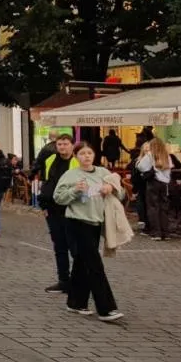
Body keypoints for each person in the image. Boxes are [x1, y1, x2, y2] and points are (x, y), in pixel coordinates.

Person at [53, 142, 126, 322]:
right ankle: (106, 308)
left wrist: (111, 188)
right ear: (76, 157)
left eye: (89, 153)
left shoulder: (103, 173)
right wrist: (75, 190)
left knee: (81, 262)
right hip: (77, 222)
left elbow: (122, 193)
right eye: (82, 154)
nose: (86, 156)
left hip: (96, 222)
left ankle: (75, 302)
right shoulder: (71, 175)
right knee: (94, 265)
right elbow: (58, 197)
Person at [38, 133, 78, 293]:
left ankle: (77, 280)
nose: (62, 147)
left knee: (74, 247)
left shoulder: (76, 162)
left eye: (65, 144)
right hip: (52, 209)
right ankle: (63, 280)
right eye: (59, 144)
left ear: (72, 145)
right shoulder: (50, 160)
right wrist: (44, 206)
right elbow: (47, 182)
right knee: (59, 246)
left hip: (70, 209)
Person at [135, 137, 172, 242]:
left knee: (153, 207)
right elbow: (169, 169)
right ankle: (166, 233)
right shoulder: (166, 155)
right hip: (165, 184)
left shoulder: (150, 155)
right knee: (163, 208)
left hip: (154, 182)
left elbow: (140, 166)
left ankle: (156, 233)